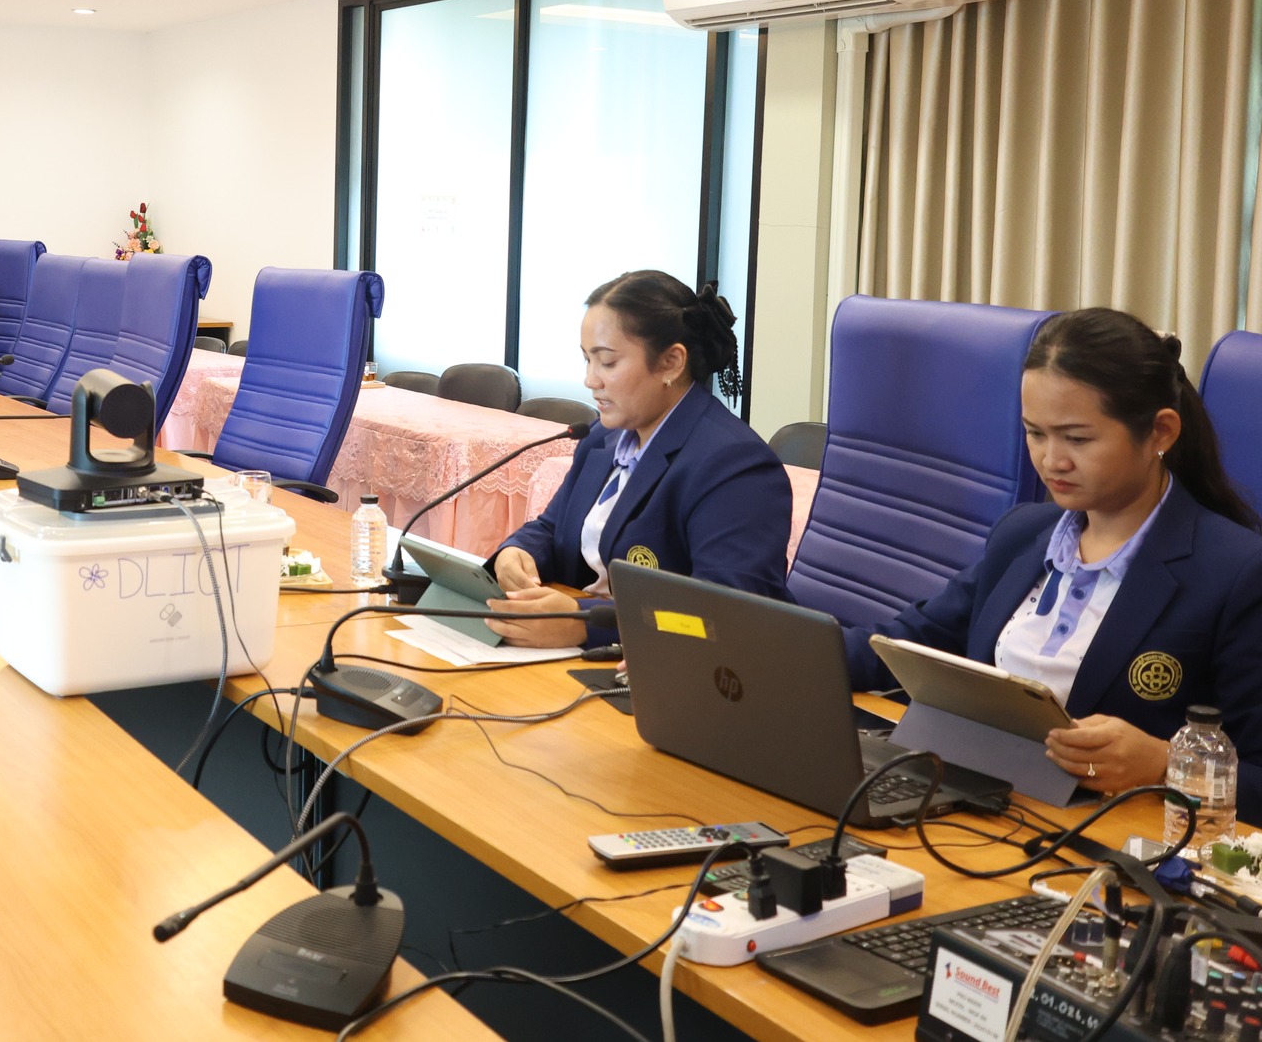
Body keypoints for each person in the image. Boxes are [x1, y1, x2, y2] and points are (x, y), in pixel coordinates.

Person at [847, 308, 1262, 817]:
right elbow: (908, 640)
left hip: (1106, 829)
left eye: (1077, 439)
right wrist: (787, 648)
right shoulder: (1023, 534)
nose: (1052, 461)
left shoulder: (1236, 572)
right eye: (1035, 433)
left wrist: (1163, 763)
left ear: (1160, 433)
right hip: (981, 803)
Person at [485, 270, 793, 649]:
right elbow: (552, 527)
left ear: (671, 363)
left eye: (607, 362)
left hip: (668, 663)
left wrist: (585, 623)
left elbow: (724, 611)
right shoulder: (601, 438)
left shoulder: (734, 465)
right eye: (587, 360)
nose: (590, 380)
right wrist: (518, 551)